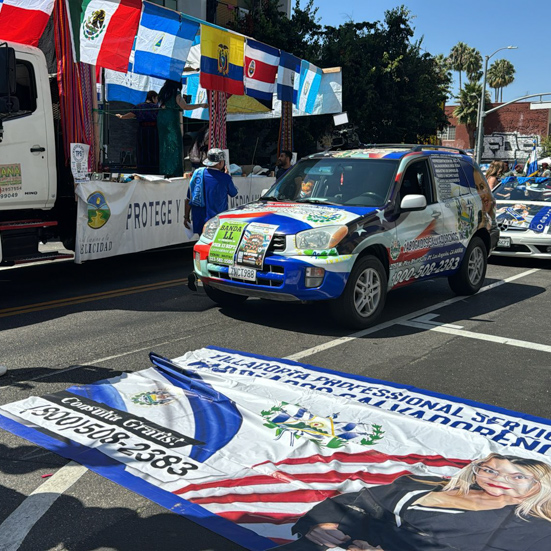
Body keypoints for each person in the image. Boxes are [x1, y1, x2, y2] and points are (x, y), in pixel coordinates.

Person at [277, 453, 551, 550]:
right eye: (490, 469)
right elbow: (355, 501)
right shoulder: (423, 484)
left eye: (517, 477)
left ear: (539, 487)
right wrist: (322, 525)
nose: (498, 478)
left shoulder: (536, 529)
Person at [156, 80, 208, 178]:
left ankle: (165, 169)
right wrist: (200, 105)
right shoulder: (176, 91)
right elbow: (185, 106)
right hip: (171, 118)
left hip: (161, 118)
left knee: (164, 145)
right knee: (175, 144)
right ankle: (174, 170)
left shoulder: (163, 91)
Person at [184, 148, 238, 235]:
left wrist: (186, 217)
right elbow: (233, 193)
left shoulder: (197, 174)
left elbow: (188, 199)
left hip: (199, 220)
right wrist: (227, 176)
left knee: (202, 244)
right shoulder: (225, 178)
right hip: (217, 221)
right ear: (220, 163)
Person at [116, 90, 160, 174]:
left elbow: (130, 114)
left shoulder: (140, 106)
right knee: (153, 148)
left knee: (142, 148)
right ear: (153, 98)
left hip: (142, 130)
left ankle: (143, 168)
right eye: (156, 98)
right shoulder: (157, 107)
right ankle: (154, 168)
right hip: (153, 131)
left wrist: (121, 116)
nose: (157, 100)